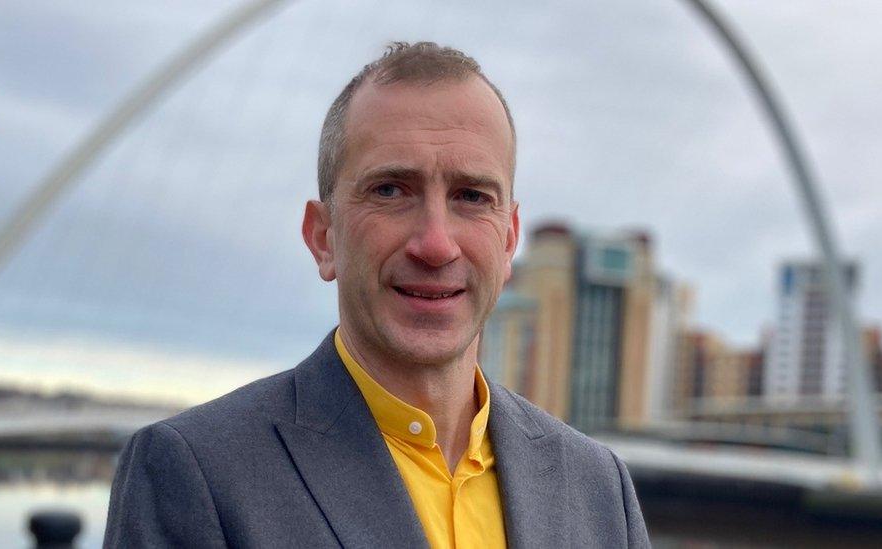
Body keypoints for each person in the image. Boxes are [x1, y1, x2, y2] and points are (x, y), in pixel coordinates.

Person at [104, 42, 650, 548]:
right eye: (390, 190)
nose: (436, 245)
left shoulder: (599, 487)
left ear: (508, 240)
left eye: (470, 196)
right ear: (323, 238)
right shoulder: (197, 472)